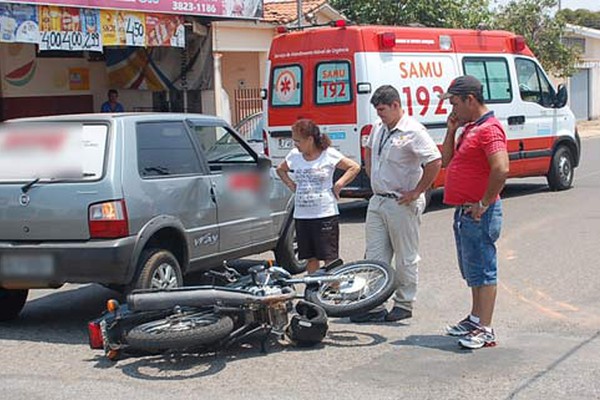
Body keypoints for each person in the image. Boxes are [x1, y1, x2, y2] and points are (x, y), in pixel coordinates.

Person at [351, 85, 442, 323]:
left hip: (401, 203)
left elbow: (434, 161)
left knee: (405, 256)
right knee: (374, 255)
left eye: (382, 109)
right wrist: (372, 174)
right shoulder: (380, 129)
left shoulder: (413, 131)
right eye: (377, 110)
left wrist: (417, 191)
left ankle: (404, 302)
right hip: (378, 200)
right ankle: (373, 303)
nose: (379, 114)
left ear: (395, 105)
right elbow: (369, 149)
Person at [440, 75, 509, 349]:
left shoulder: (489, 129)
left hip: (480, 211)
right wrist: (451, 130)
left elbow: (501, 168)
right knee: (473, 269)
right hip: (466, 211)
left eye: (455, 103)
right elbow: (446, 160)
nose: (452, 109)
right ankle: (475, 317)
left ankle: (485, 328)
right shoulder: (469, 127)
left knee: (484, 269)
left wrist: (484, 202)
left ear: (470, 99)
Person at [276, 119, 360, 274]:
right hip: (302, 215)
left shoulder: (328, 154)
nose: (295, 144)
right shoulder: (295, 155)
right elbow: (280, 170)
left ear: (310, 139)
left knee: (330, 257)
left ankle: (333, 291)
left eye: (298, 141)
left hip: (325, 213)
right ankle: (313, 290)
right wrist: (292, 185)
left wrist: (339, 184)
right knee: (310, 257)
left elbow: (353, 167)